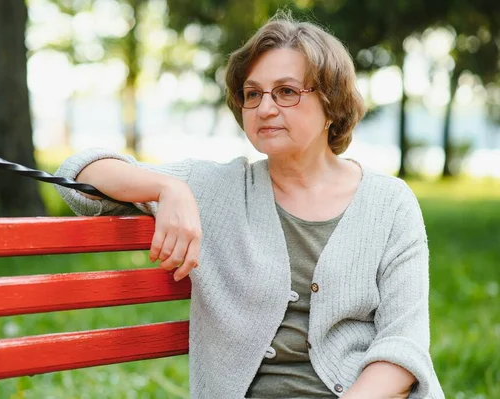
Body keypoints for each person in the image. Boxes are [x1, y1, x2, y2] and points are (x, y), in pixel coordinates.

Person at [54, 12, 445, 399]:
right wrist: (166, 188)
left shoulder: (390, 203)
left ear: (332, 103)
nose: (265, 108)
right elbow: (79, 173)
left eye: (287, 91)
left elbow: (402, 345)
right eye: (253, 94)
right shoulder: (217, 189)